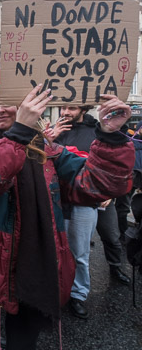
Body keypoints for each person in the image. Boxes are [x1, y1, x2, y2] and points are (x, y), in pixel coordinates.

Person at [0, 85, 134, 350]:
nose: (0, 110)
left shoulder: (48, 150)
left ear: (23, 107)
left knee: (25, 332)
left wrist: (110, 136)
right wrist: (19, 133)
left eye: (7, 104)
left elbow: (99, 184)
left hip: (37, 261)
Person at [52, 104, 131, 319]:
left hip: (89, 200)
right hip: (60, 200)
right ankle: (59, 289)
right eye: (62, 107)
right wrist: (48, 138)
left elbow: (110, 164)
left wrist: (106, 192)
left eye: (71, 108)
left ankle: (80, 292)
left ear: (84, 109)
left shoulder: (96, 131)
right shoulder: (56, 130)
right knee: (59, 250)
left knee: (98, 242)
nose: (65, 112)